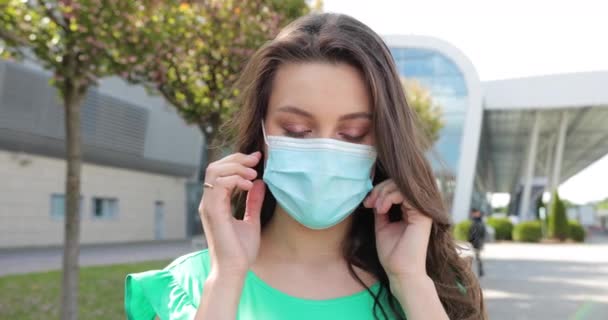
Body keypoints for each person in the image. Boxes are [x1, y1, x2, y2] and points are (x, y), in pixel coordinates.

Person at [124, 13, 485, 320]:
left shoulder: (432, 288)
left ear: (384, 142)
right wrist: (227, 277)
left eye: (353, 134)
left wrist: (409, 281)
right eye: (296, 131)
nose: (325, 152)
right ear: (261, 132)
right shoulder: (184, 288)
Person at [468, 209, 486, 277]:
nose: (473, 214)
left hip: (476, 242)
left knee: (476, 257)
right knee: (477, 257)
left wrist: (470, 240)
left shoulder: (476, 222)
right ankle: (480, 271)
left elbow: (472, 233)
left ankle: (479, 271)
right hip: (478, 242)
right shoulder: (480, 222)